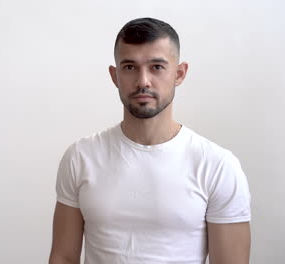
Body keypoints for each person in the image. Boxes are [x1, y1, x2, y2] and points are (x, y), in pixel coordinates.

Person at [48, 17, 251, 264]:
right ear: (115, 76)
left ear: (179, 73)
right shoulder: (81, 157)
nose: (143, 81)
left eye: (156, 67)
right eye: (130, 67)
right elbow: (63, 257)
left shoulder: (217, 165)